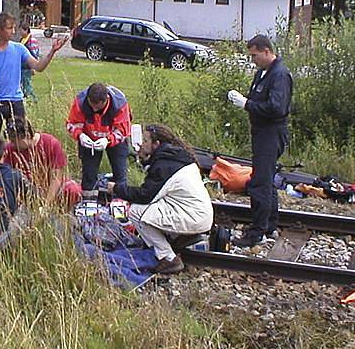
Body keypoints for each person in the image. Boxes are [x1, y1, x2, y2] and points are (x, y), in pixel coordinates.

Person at [107, 124, 213, 274]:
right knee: (153, 206)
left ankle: (168, 257)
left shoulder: (164, 165)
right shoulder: (175, 158)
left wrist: (117, 189)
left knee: (136, 212)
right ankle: (176, 239)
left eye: (145, 141)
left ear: (156, 144)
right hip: (197, 213)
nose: (142, 144)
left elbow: (145, 195)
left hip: (192, 217)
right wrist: (144, 159)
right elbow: (156, 185)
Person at [227, 34, 293, 248]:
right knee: (267, 180)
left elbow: (276, 108)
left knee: (259, 183)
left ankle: (256, 232)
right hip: (261, 132)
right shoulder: (262, 73)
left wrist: (247, 104)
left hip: (271, 133)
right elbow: (257, 99)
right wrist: (246, 101)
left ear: (266, 51)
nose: (252, 60)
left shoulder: (279, 75)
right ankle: (270, 225)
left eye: (254, 55)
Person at [0, 12, 65, 136]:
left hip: (15, 101)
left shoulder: (19, 49)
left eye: (14, 28)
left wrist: (52, 52)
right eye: (9, 28)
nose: (13, 31)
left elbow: (38, 67)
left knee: (20, 140)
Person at [66, 83, 132, 190]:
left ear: (106, 100)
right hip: (89, 139)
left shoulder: (120, 104)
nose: (94, 110)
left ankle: (120, 201)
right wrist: (80, 136)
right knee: (88, 174)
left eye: (98, 106)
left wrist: (108, 140)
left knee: (120, 173)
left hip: (115, 140)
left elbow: (123, 131)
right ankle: (88, 200)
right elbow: (72, 124)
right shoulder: (80, 101)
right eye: (92, 105)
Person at [3, 116, 82, 206]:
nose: (12, 144)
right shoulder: (9, 149)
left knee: (73, 190)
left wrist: (46, 205)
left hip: (53, 188)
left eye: (14, 141)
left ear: (27, 136)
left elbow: (57, 177)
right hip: (28, 190)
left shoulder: (50, 143)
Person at [19, 21, 39, 102]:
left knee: (27, 84)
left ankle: (33, 99)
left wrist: (33, 67)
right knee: (22, 83)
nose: (20, 32)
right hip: (21, 67)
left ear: (26, 30)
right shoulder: (22, 40)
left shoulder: (32, 41)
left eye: (21, 30)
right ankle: (25, 98)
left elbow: (34, 54)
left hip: (28, 66)